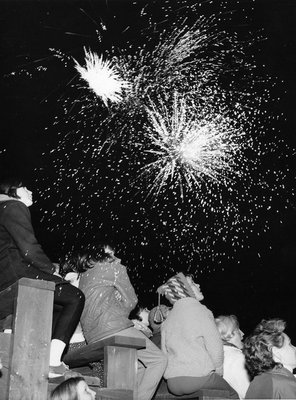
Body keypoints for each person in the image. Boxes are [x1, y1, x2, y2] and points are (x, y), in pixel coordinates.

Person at [0, 178, 85, 378]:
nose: (30, 190)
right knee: (74, 297)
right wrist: (51, 270)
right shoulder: (13, 206)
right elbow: (29, 250)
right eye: (25, 186)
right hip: (18, 276)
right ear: (14, 191)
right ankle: (53, 361)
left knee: (55, 304)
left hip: (3, 284)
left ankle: (24, 348)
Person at [60, 243, 167, 400]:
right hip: (114, 327)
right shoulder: (114, 267)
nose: (116, 257)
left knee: (139, 367)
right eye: (112, 254)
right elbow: (132, 301)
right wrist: (120, 314)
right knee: (159, 360)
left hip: (92, 335)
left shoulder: (84, 274)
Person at [158, 272, 239, 398]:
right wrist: (218, 372)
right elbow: (215, 347)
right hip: (198, 378)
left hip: (173, 384)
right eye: (192, 283)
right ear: (184, 290)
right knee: (232, 395)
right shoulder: (202, 311)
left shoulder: (167, 321)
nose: (198, 285)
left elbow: (164, 355)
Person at [243, 318, 296, 399]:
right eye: (290, 344)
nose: (295, 348)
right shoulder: (286, 384)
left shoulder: (257, 381)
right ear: (276, 352)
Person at [215, 315, 250, 398]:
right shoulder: (237, 358)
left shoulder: (216, 357)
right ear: (228, 335)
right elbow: (248, 393)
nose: (242, 335)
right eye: (238, 331)